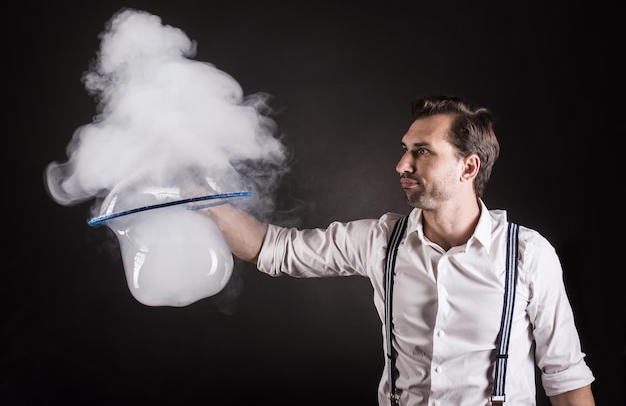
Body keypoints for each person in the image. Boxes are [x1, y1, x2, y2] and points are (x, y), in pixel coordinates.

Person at [200, 94, 596, 405]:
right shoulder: (380, 241)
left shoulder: (528, 254)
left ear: (468, 167)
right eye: (406, 148)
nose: (402, 164)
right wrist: (201, 199)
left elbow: (565, 377)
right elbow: (272, 249)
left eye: (422, 151)